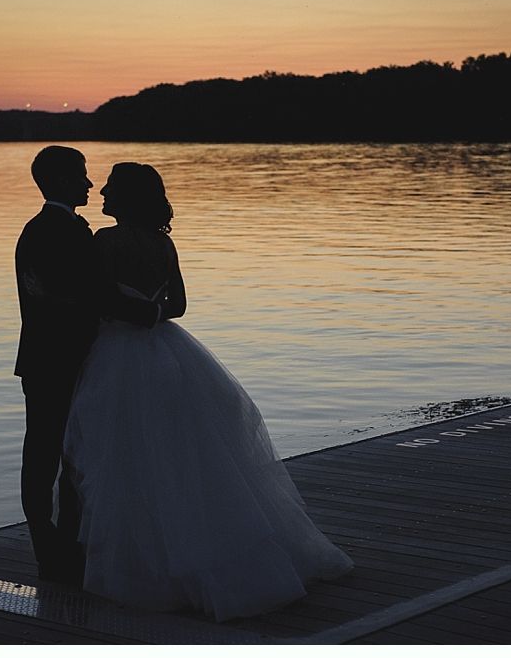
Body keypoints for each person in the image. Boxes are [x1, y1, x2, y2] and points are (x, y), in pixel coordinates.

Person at [63, 162, 353, 622]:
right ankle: (209, 552)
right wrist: (150, 309)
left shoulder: (105, 241)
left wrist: (125, 309)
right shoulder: (163, 243)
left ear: (127, 197)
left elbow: (93, 299)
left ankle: (147, 566)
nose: (102, 192)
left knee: (126, 461)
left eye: (111, 188)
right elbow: (177, 305)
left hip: (118, 355)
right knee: (180, 460)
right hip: (168, 352)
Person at [14, 146, 161, 584]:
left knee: (74, 454)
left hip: (81, 359)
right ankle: (49, 548)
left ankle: (72, 543)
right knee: (44, 455)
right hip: (51, 362)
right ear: (59, 181)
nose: (89, 184)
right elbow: (84, 295)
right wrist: (147, 314)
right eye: (81, 175)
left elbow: (89, 293)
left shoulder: (76, 228)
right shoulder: (46, 231)